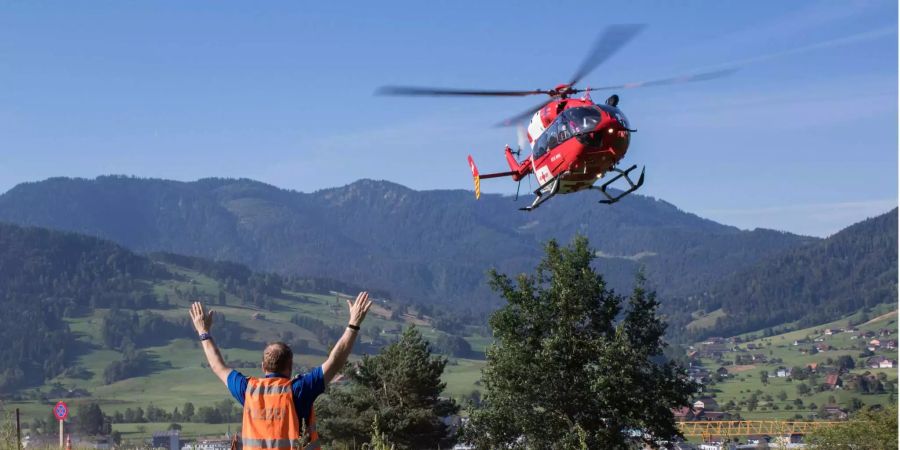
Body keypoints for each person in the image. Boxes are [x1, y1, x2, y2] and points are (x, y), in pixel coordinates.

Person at [189, 292, 373, 450]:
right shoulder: (299, 390)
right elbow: (335, 361)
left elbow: (217, 365)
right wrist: (353, 324)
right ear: (290, 366)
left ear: (263, 366)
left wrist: (203, 331)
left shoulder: (248, 390)